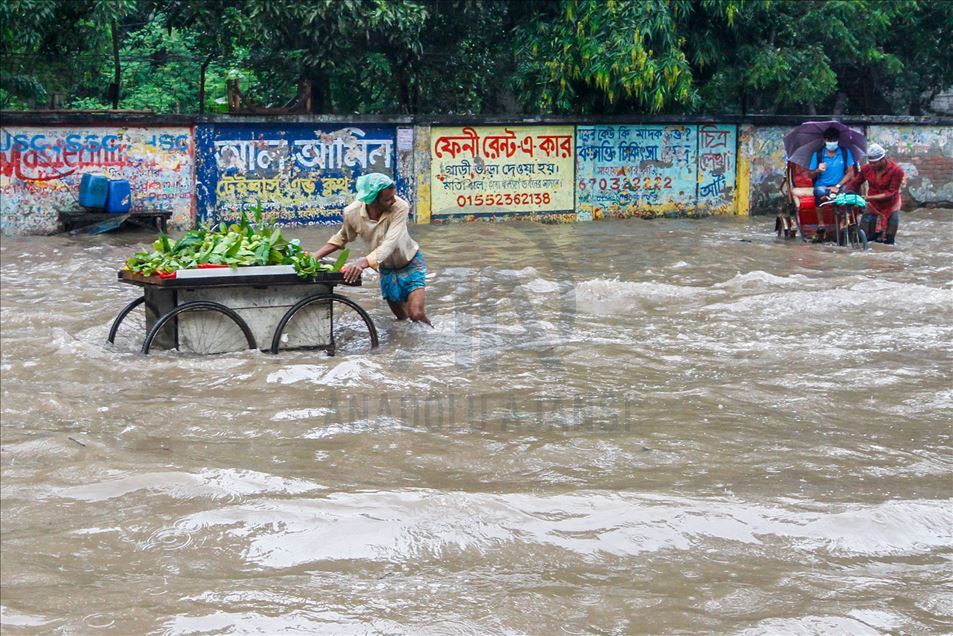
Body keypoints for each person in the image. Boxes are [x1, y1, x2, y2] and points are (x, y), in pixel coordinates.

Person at [311, 173, 432, 325]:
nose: (393, 200)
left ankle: (433, 334)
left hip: (411, 262)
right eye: (387, 199)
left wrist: (362, 263)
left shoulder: (400, 207)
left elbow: (389, 244)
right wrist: (315, 256)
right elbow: (342, 237)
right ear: (372, 201)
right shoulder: (351, 213)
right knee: (402, 319)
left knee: (416, 314)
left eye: (393, 196)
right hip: (386, 270)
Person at [847, 143, 905, 244]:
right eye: (870, 162)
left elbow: (891, 193)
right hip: (872, 205)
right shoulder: (867, 168)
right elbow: (855, 183)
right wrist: (844, 194)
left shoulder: (896, 170)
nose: (872, 165)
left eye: (875, 163)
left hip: (890, 204)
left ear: (883, 159)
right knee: (864, 236)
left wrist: (868, 197)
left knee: (889, 240)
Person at [809, 126, 857, 204]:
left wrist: (837, 186)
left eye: (834, 140)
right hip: (822, 187)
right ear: (824, 140)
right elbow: (810, 175)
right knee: (818, 192)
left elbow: (850, 173)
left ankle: (845, 215)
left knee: (850, 193)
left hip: (840, 186)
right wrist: (818, 170)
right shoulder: (818, 154)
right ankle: (821, 215)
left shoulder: (845, 152)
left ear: (838, 140)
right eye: (829, 140)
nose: (832, 142)